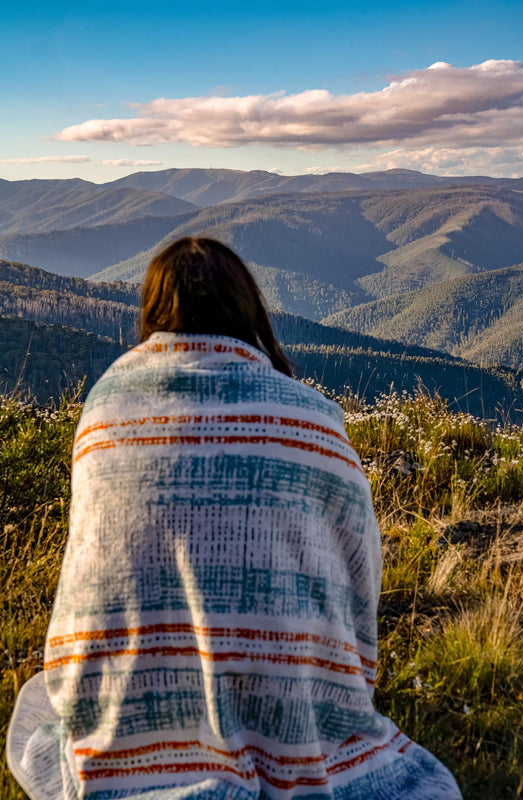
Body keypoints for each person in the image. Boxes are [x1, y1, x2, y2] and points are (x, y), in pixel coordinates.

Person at [8, 238, 462, 800]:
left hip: (123, 708)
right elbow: (360, 577)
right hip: (286, 704)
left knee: (39, 701)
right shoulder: (314, 420)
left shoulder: (105, 408)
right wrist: (338, 679)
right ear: (250, 312)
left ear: (151, 311)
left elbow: (89, 569)